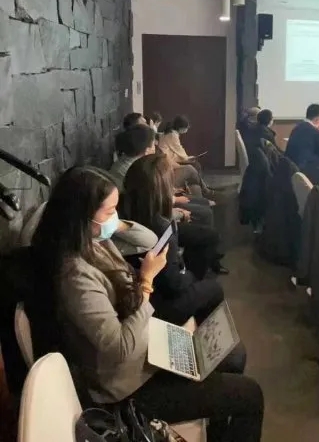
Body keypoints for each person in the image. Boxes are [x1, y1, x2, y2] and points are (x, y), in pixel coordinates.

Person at [31, 167, 263, 441]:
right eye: (110, 211)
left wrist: (116, 224)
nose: (116, 217)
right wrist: (146, 281)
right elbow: (118, 348)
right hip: (128, 388)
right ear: (82, 216)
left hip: (148, 350)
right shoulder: (75, 276)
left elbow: (145, 241)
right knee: (250, 395)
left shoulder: (94, 242)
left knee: (233, 357)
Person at [119, 154, 228, 324]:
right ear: (163, 190)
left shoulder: (126, 209)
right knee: (215, 289)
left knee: (207, 236)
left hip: (151, 282)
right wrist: (191, 277)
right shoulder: (161, 228)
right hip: (158, 303)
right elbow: (173, 284)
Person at [125, 154, 226, 278]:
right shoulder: (163, 227)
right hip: (164, 230)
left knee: (209, 233)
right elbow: (173, 281)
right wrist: (179, 214)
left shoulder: (139, 196)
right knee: (209, 234)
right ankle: (197, 276)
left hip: (163, 221)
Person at [158, 115, 213, 197]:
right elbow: (178, 148)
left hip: (170, 158)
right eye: (186, 128)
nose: (187, 130)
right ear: (181, 128)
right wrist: (186, 158)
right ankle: (204, 189)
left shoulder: (170, 132)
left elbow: (174, 150)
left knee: (195, 165)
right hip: (168, 161)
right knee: (195, 165)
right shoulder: (172, 135)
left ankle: (202, 187)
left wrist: (186, 158)